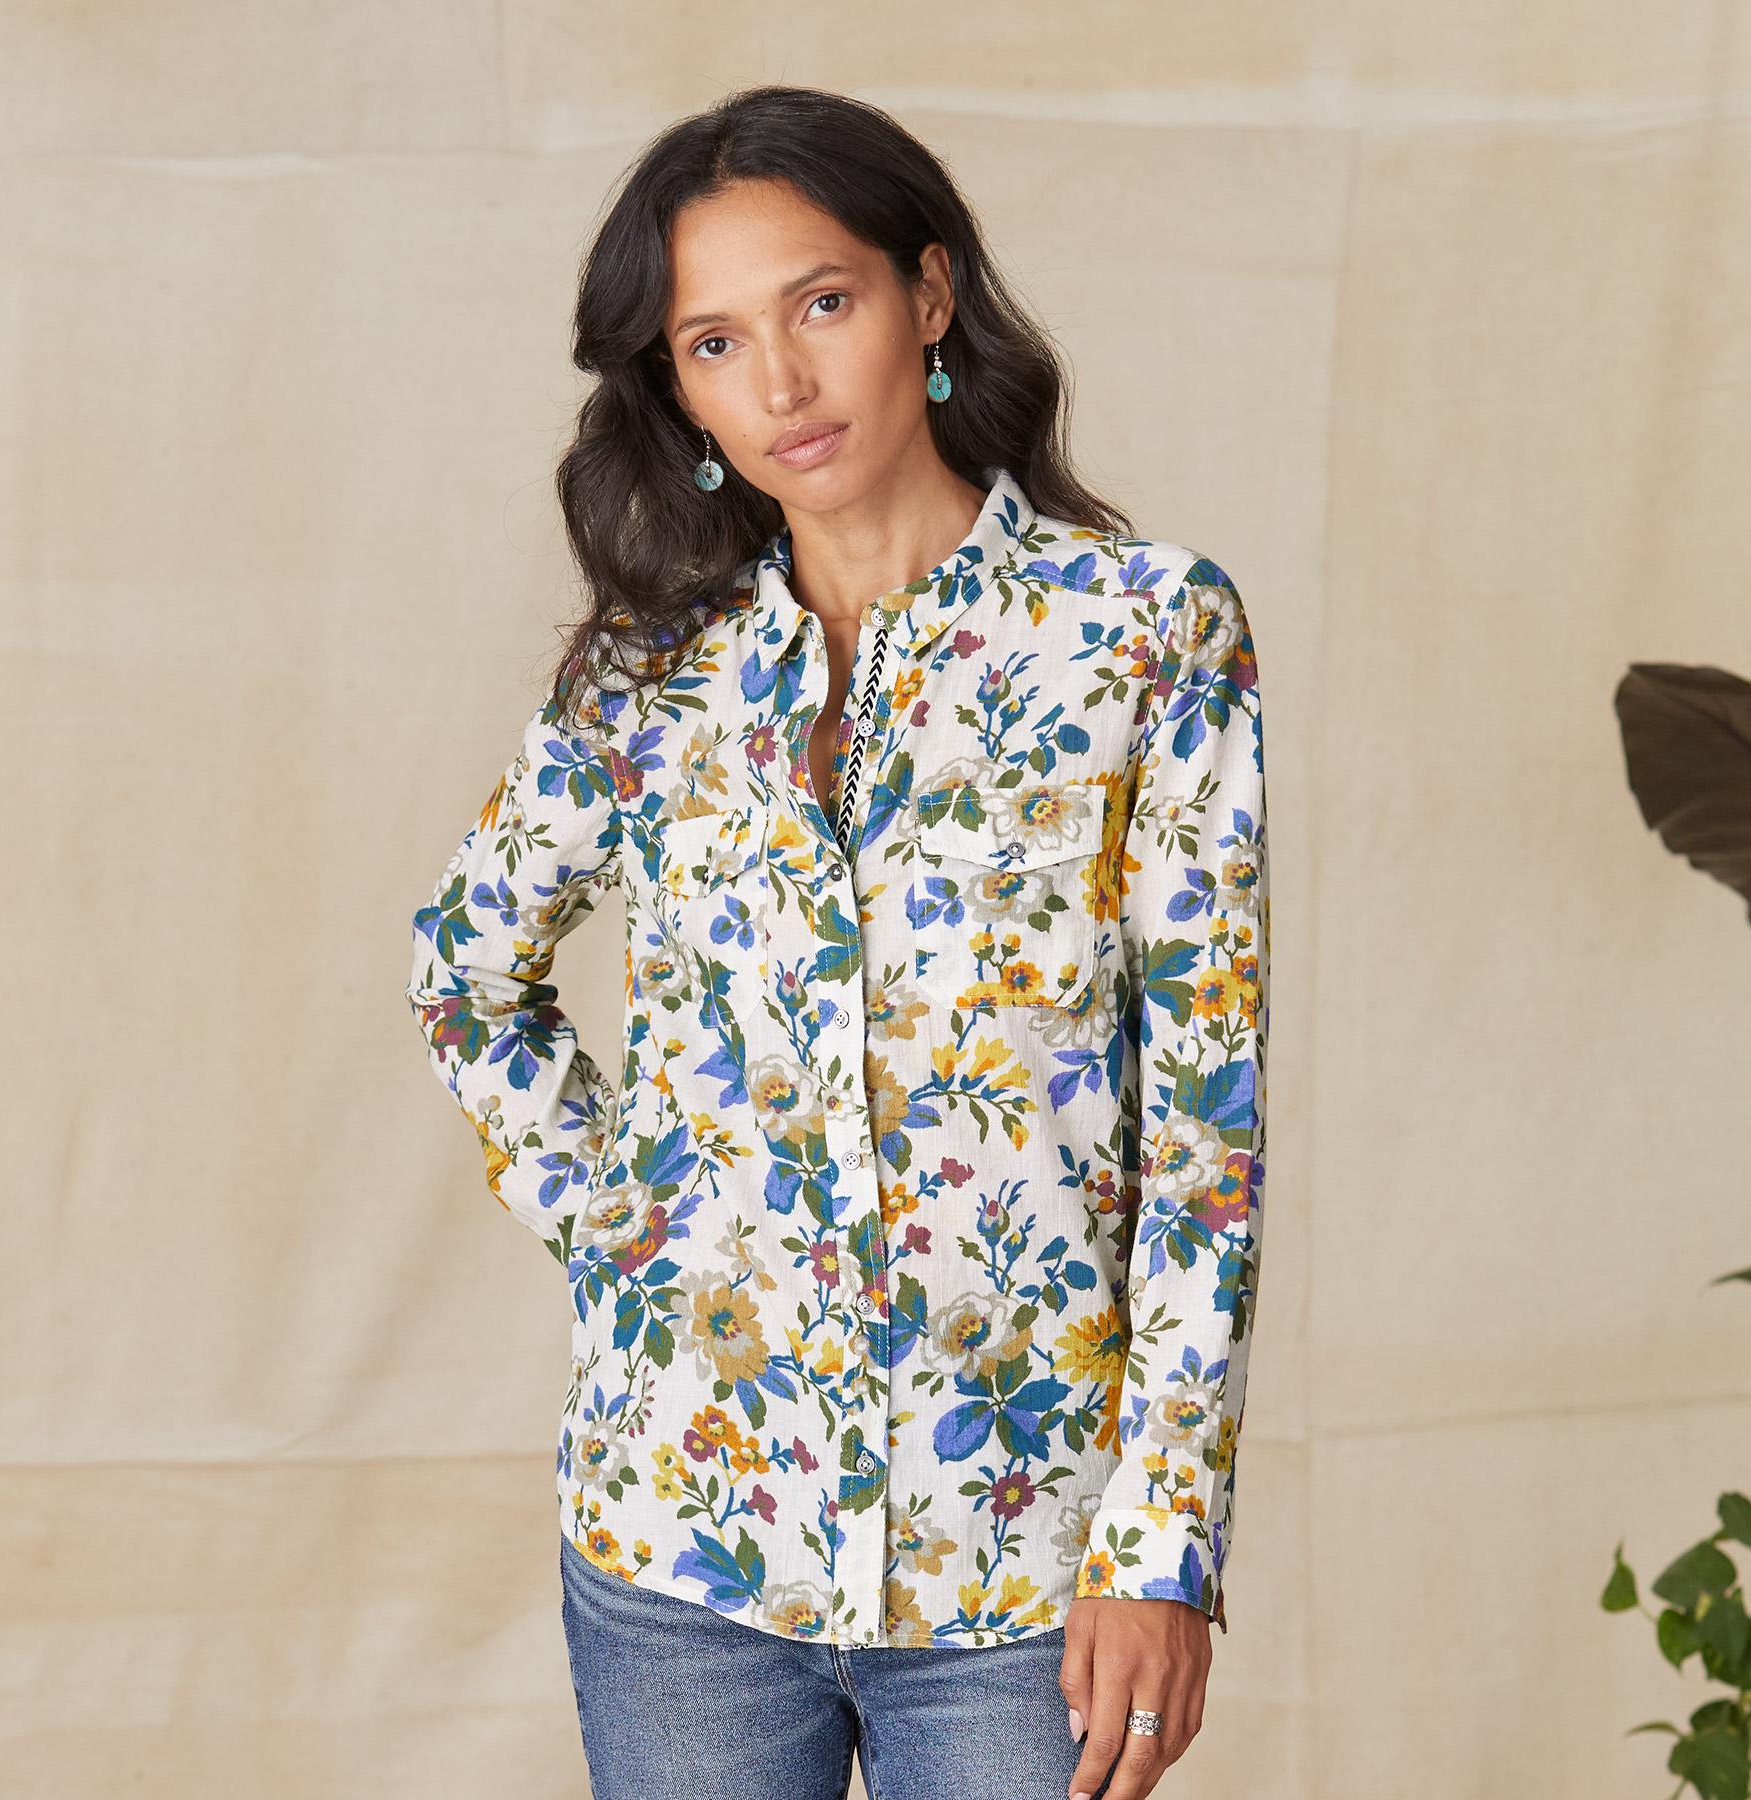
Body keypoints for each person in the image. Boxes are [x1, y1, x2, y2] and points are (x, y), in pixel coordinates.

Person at [406, 82, 1270, 1800]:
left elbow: (1205, 1125)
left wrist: (1162, 1540)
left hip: (1027, 1562)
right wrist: (629, 1231)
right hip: (682, 1545)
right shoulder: (650, 680)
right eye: (714, 344)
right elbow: (467, 967)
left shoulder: (1145, 635)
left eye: (822, 303)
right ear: (678, 390)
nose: (782, 386)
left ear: (928, 294)